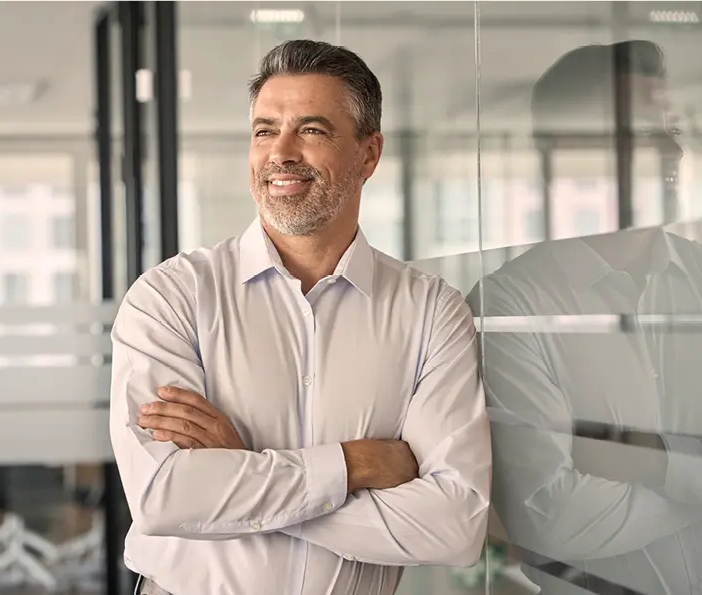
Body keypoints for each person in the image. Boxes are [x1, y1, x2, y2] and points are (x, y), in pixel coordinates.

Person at [109, 39, 491, 595]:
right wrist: (351, 467)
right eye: (265, 130)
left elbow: (454, 525)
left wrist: (243, 470)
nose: (280, 152)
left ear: (368, 154)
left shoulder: (431, 311)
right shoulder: (172, 297)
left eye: (311, 130)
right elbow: (165, 497)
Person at [466, 41, 702, 595]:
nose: (671, 150)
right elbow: (546, 518)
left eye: (670, 127)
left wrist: (654, 463)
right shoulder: (509, 307)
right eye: (643, 130)